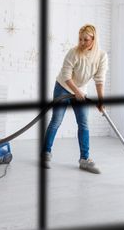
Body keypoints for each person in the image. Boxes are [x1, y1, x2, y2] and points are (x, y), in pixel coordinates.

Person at [42, 24, 108, 173]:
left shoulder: (102, 56)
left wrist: (101, 101)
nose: (82, 42)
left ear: (93, 39)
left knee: (83, 124)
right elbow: (66, 76)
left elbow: (99, 80)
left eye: (86, 39)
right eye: (80, 39)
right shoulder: (74, 52)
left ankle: (84, 159)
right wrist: (76, 91)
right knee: (56, 120)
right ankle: (45, 153)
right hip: (63, 88)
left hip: (80, 91)